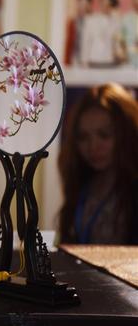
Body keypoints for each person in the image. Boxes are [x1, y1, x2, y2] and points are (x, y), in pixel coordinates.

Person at [58, 83, 138, 244]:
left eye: (104, 135)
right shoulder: (82, 182)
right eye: (83, 137)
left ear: (126, 133)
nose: (93, 147)